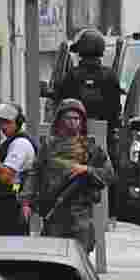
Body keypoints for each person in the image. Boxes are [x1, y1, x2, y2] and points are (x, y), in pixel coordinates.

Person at [22, 98, 115, 254]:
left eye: (77, 118)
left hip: (80, 213)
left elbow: (109, 174)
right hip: (54, 212)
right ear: (60, 120)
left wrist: (86, 170)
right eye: (69, 118)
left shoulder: (90, 147)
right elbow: (35, 172)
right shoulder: (49, 146)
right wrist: (26, 201)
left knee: (79, 258)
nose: (73, 122)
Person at [57, 28, 123, 213]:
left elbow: (62, 104)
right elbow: (116, 109)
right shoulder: (110, 76)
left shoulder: (72, 76)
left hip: (76, 137)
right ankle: (109, 214)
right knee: (107, 169)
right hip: (104, 137)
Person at [0, 102, 37, 236]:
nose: (3, 126)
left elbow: (7, 176)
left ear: (18, 122)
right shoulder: (10, 142)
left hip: (14, 204)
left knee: (11, 246)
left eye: (7, 122)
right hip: (8, 202)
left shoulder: (19, 144)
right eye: (1, 123)